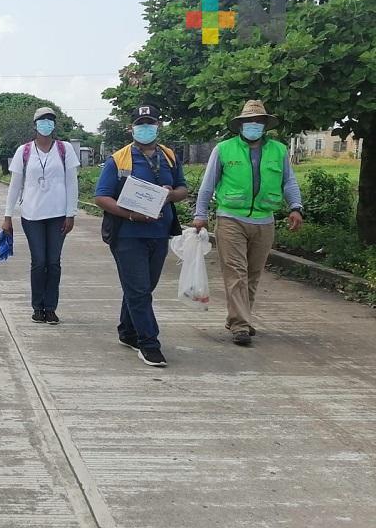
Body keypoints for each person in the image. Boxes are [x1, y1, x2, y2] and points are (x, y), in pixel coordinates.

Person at [192, 100, 303, 346]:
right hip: (231, 217)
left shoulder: (279, 150)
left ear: (265, 125)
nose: (253, 126)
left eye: (258, 122)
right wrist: (200, 214)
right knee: (236, 273)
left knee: (252, 275)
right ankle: (241, 325)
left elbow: (289, 181)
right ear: (240, 125)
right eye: (248, 122)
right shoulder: (223, 149)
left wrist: (296, 207)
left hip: (265, 220)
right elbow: (208, 184)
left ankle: (238, 318)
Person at [94, 105, 188, 367]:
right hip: (128, 235)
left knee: (143, 287)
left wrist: (170, 194)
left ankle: (127, 331)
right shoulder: (119, 159)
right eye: (140, 124)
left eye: (150, 123)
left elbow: (183, 188)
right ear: (131, 128)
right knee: (139, 290)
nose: (145, 128)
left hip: (159, 234)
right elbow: (102, 196)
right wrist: (132, 214)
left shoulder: (169, 157)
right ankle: (149, 344)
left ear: (158, 126)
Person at [1, 107, 80, 324]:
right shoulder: (24, 151)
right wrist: (7, 215)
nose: (46, 123)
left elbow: (72, 182)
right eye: (42, 120)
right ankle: (38, 307)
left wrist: (71, 213)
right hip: (32, 215)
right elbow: (15, 185)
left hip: (58, 214)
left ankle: (51, 307)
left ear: (55, 124)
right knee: (39, 261)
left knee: (54, 262)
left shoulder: (64, 149)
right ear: (35, 125)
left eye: (50, 120)